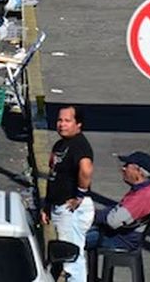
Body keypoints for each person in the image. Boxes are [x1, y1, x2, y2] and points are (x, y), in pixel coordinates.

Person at [45, 104, 95, 282]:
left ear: (78, 124)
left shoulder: (79, 145)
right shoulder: (60, 144)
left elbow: (86, 170)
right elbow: (53, 174)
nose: (62, 124)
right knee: (66, 253)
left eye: (67, 120)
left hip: (71, 208)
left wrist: (79, 196)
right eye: (60, 120)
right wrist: (47, 205)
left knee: (72, 256)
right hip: (60, 205)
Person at [84, 151, 150, 256]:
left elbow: (113, 221)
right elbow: (117, 210)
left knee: (73, 241)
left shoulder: (142, 197)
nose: (123, 169)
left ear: (138, 171)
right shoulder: (144, 190)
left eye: (127, 166)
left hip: (121, 240)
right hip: (119, 235)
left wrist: (93, 215)